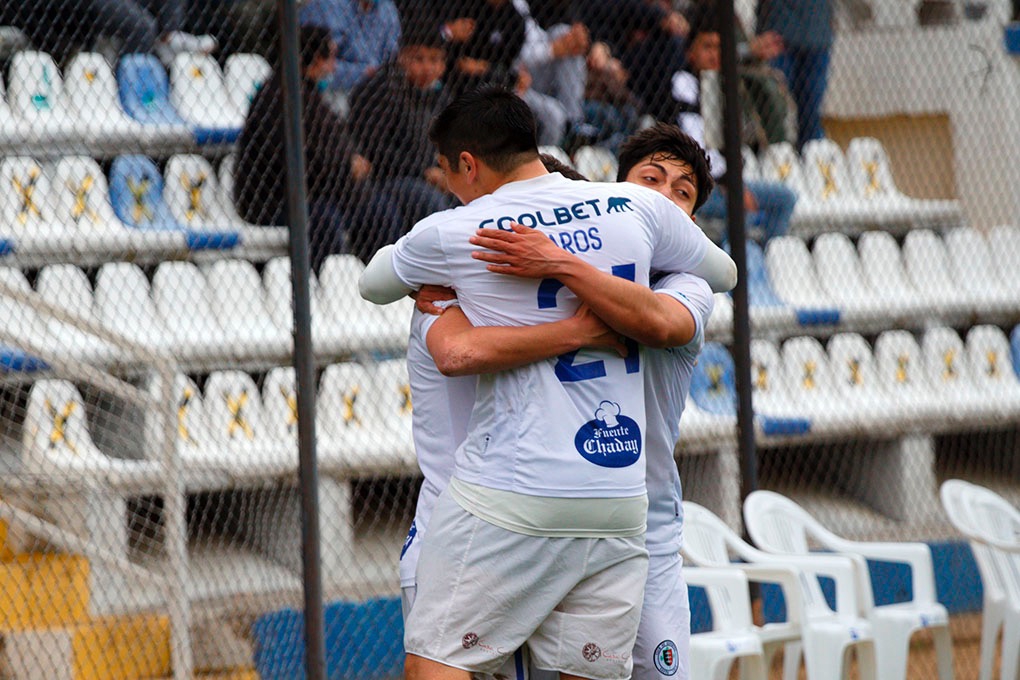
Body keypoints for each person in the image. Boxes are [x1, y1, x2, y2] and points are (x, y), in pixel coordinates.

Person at [360, 87, 734, 680]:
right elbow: (726, 270)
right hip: (600, 507)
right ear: (613, 187)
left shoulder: (463, 237)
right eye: (651, 179)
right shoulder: (624, 218)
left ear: (467, 164)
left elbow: (380, 287)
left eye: (681, 192)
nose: (662, 196)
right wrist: (579, 317)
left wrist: (560, 269)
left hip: (551, 509)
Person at [234, 24, 400, 272]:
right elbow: (300, 163)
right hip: (274, 201)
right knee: (325, 221)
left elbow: (333, 144)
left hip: (319, 191)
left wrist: (348, 163)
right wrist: (347, 165)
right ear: (313, 59)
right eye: (330, 57)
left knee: (377, 211)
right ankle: (326, 288)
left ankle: (381, 280)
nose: (334, 66)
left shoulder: (308, 94)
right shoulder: (276, 97)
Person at [672, 3, 797, 244]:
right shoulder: (683, 84)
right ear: (690, 52)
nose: (714, 55)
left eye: (720, 48)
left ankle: (763, 257)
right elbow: (698, 147)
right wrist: (732, 186)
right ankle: (734, 272)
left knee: (785, 198)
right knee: (741, 209)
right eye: (707, 47)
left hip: (725, 183)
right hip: (697, 187)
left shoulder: (722, 84)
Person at [346, 20, 456, 261]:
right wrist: (424, 172)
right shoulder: (381, 88)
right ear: (402, 57)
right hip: (384, 180)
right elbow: (373, 150)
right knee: (428, 201)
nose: (427, 67)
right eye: (419, 59)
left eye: (435, 60)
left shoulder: (440, 94)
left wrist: (447, 171)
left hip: (428, 175)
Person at [757, 0, 832, 149]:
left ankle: (811, 157)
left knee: (810, 113)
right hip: (778, 38)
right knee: (775, 109)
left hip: (817, 37)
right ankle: (776, 156)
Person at [298, 0, 401, 94]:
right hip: (333, 91)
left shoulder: (387, 9)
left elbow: (391, 58)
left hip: (378, 89)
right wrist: (364, 72)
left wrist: (374, 73)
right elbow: (319, 63)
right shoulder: (325, 6)